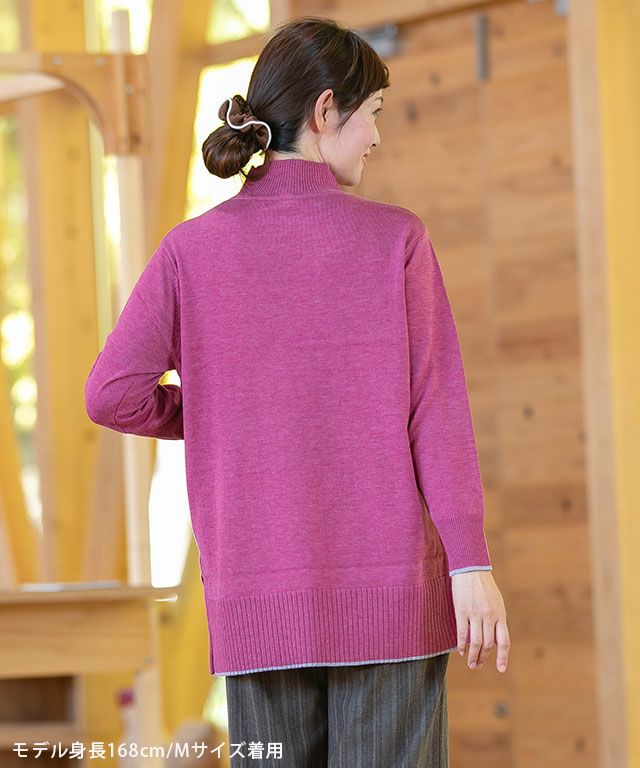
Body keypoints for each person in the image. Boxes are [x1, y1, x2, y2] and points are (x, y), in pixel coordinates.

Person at [85, 14, 510, 768]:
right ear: (324, 111)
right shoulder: (397, 240)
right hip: (392, 601)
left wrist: (217, 409)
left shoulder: (190, 251)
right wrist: (470, 564)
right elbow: (436, 412)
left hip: (256, 609)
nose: (377, 137)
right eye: (373, 114)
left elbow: (111, 393)